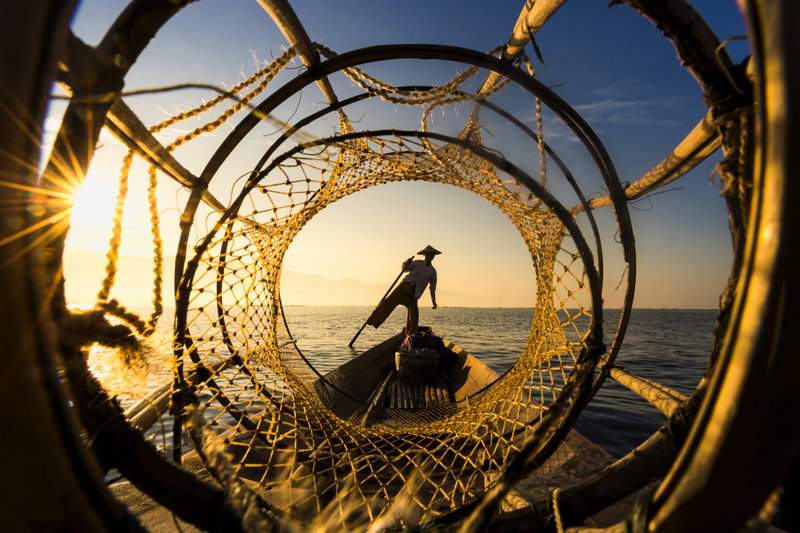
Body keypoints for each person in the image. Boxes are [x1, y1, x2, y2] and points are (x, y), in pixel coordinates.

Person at [366, 245, 440, 335]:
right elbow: (404, 269)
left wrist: (434, 301)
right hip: (404, 287)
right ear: (424, 255)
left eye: (431, 255)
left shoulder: (432, 271)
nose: (430, 257)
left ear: (433, 256)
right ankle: (372, 320)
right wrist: (406, 262)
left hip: (414, 293)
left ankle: (411, 334)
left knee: (413, 314)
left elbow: (432, 287)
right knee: (389, 301)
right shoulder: (417, 263)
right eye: (428, 254)